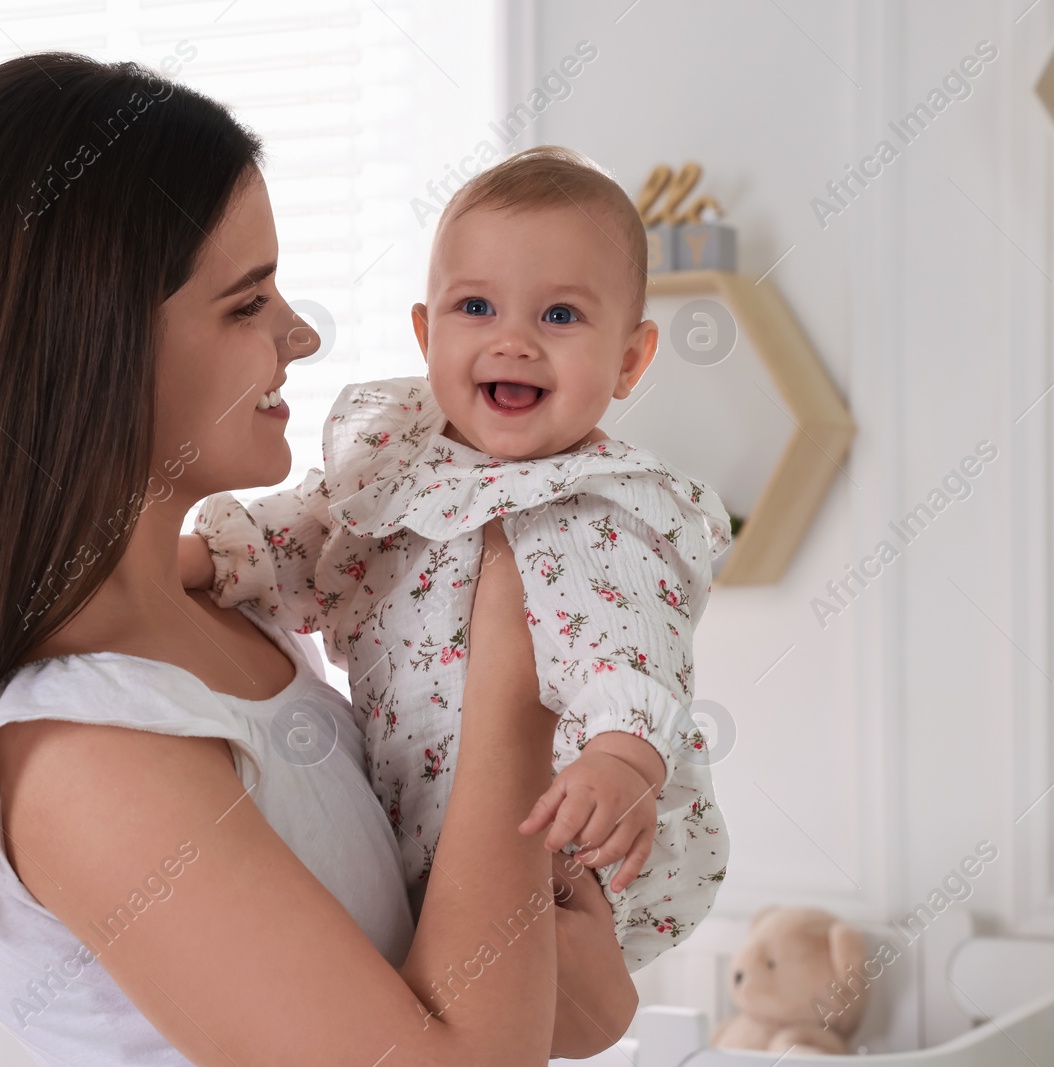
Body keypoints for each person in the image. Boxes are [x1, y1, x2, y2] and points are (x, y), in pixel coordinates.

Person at [0, 52, 635, 1065]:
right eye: (247, 301)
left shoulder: (223, 619)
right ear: (95, 345)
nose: (297, 333)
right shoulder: (88, 745)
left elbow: (569, 1001)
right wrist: (513, 669)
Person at [184, 146, 732, 972]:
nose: (513, 341)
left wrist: (620, 759)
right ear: (425, 331)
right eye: (476, 306)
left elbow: (631, 644)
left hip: (559, 838)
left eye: (559, 316)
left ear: (629, 360)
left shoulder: (607, 504)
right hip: (411, 820)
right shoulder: (395, 462)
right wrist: (203, 559)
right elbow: (308, 538)